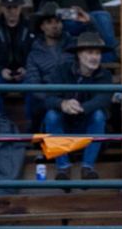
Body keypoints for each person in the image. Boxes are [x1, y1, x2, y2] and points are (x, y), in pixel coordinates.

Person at [45, 31, 115, 182]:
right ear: (78, 54)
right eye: (90, 52)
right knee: (51, 115)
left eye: (97, 53)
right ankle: (62, 168)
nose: (95, 57)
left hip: (88, 124)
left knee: (99, 115)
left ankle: (87, 167)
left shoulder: (105, 75)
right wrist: (62, 104)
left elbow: (104, 98)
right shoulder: (61, 70)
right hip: (64, 123)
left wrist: (82, 108)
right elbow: (47, 97)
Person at [23, 4, 72, 127]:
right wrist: (57, 102)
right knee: (51, 115)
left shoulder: (74, 45)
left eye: (58, 21)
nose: (55, 25)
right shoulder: (34, 55)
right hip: (48, 100)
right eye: (49, 22)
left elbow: (95, 42)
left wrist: (89, 22)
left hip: (75, 96)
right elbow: (34, 86)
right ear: (42, 26)